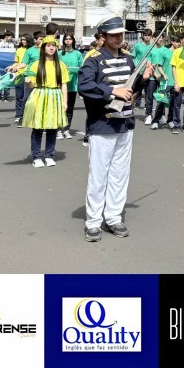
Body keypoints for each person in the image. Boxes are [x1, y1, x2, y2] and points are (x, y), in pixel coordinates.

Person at [78, 15, 153, 241]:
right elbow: (84, 86)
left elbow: (131, 87)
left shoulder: (129, 59)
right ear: (103, 36)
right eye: (114, 35)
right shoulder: (93, 60)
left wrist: (144, 79)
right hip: (102, 124)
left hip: (125, 123)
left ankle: (113, 217)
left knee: (120, 175)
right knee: (99, 175)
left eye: (121, 34)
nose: (119, 38)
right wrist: (111, 91)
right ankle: (93, 221)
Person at [21, 36, 70, 168]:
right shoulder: (36, 64)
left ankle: (49, 155)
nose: (51, 48)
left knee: (52, 128)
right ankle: (36, 157)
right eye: (48, 45)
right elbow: (32, 85)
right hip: (39, 95)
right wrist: (28, 82)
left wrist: (65, 101)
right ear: (43, 48)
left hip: (55, 96)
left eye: (53, 45)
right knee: (37, 128)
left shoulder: (61, 65)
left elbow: (64, 84)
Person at [59, 34, 84, 141]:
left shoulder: (77, 53)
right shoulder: (59, 53)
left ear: (73, 41)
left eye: (70, 39)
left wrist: (71, 69)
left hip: (72, 85)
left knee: (69, 109)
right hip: (60, 86)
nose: (68, 41)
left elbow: (81, 68)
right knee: (60, 108)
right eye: (66, 39)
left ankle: (66, 129)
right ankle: (58, 130)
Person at [148, 35, 173, 130]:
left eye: (162, 37)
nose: (161, 39)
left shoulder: (167, 50)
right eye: (159, 37)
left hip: (167, 80)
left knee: (166, 100)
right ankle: (150, 116)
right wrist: (156, 74)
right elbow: (149, 64)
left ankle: (164, 117)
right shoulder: (151, 49)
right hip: (154, 77)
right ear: (154, 38)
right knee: (153, 97)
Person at [130, 27, 154, 119]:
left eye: (149, 35)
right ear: (143, 36)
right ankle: (129, 112)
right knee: (134, 94)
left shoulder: (153, 46)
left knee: (149, 95)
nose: (147, 37)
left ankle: (148, 115)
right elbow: (132, 58)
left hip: (149, 74)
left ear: (151, 36)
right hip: (138, 73)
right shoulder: (138, 46)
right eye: (145, 35)